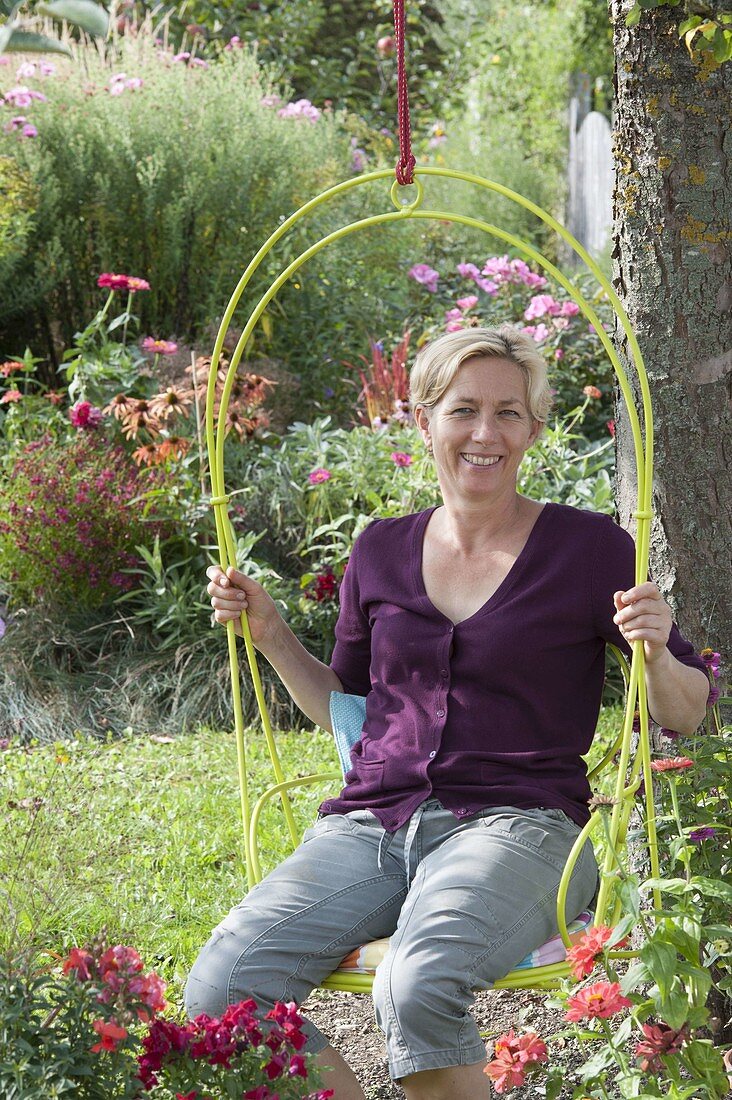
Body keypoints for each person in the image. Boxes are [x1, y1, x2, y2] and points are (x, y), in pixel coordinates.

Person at [186, 325, 709, 1100]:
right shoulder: (380, 551)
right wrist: (269, 635)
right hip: (373, 823)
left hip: (521, 828)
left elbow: (687, 711)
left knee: (416, 979)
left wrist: (657, 652)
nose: (485, 433)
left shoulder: (589, 547)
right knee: (220, 985)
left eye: (509, 412)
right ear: (424, 419)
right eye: (464, 409)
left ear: (534, 428)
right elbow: (348, 705)